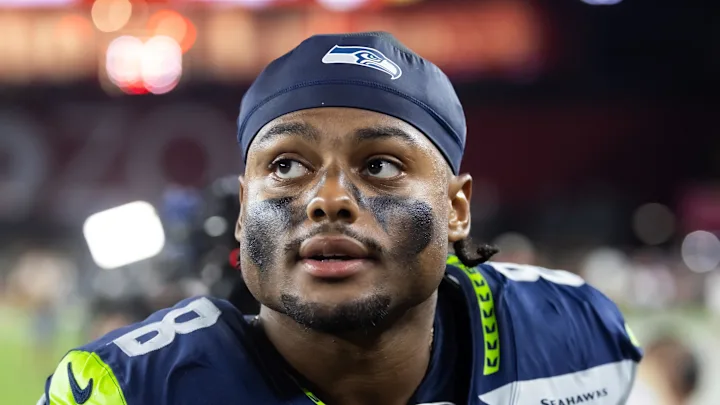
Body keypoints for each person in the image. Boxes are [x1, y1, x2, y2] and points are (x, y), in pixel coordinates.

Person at [39, 32, 642, 405]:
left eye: (380, 165)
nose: (328, 199)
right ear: (244, 211)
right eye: (286, 166)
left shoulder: (573, 336)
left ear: (456, 209)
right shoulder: (129, 391)